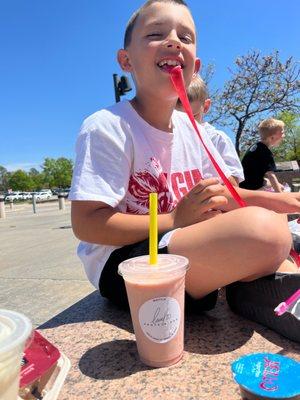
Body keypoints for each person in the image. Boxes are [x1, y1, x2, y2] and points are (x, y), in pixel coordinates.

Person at [69, 0, 300, 317]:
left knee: (276, 238)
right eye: (155, 33)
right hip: (123, 261)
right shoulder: (108, 127)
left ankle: (267, 297)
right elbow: (86, 224)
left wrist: (290, 203)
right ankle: (253, 292)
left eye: (186, 37)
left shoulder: (197, 133)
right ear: (126, 60)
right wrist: (174, 220)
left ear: (196, 66)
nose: (174, 40)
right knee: (264, 232)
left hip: (181, 241)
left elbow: (225, 197)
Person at [176, 74, 244, 186]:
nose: (185, 124)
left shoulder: (217, 139)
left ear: (206, 106)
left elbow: (234, 185)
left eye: (193, 117)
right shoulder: (171, 140)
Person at [240, 118, 285, 192]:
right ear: (272, 137)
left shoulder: (256, 146)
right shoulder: (265, 152)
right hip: (251, 188)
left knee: (279, 185)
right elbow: (271, 176)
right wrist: (281, 196)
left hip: (244, 183)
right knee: (281, 189)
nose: (284, 136)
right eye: (282, 133)